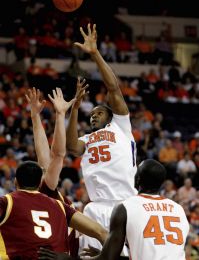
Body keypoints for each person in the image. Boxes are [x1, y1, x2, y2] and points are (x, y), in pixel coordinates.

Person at [66, 23, 137, 254]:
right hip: (95, 208)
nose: (94, 115)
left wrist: (95, 54)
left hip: (124, 204)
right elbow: (71, 147)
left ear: (110, 115)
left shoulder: (120, 126)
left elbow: (114, 88)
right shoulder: (87, 139)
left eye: (99, 112)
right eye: (92, 114)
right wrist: (75, 109)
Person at [81, 160, 189, 260]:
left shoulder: (125, 207)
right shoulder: (178, 209)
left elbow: (108, 258)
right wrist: (104, 254)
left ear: (138, 179)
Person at [25, 86, 87, 258]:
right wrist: (60, 115)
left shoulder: (43, 192)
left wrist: (35, 117)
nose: (44, 167)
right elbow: (58, 155)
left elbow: (43, 155)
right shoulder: (47, 192)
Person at [0, 161, 107, 259]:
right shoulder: (60, 205)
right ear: (40, 183)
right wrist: (105, 255)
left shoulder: (6, 202)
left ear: (15, 181)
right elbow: (102, 232)